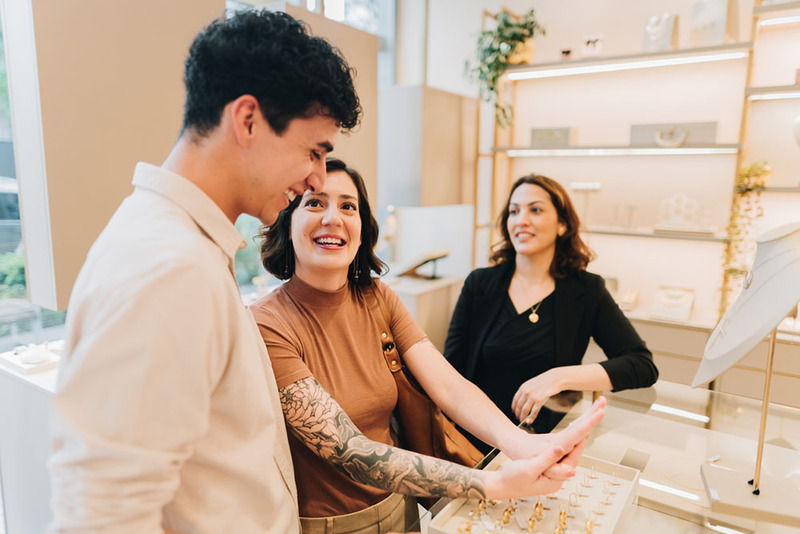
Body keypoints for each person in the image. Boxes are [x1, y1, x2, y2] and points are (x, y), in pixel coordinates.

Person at [49, 11, 361, 533]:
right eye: (313, 151)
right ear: (247, 120)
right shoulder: (168, 268)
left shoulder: (187, 248)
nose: (315, 179)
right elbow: (103, 514)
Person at [250, 158, 606, 533]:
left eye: (348, 206)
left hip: (401, 507)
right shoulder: (267, 323)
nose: (333, 218)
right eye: (314, 203)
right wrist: (492, 484)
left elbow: (448, 385)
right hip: (330, 525)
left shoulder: (376, 297)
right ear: (286, 223)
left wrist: (521, 444)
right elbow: (350, 451)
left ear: (361, 228)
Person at [444, 174, 658, 453]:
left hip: (544, 443)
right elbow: (450, 373)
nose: (521, 220)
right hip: (476, 442)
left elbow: (641, 365)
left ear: (562, 224)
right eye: (514, 211)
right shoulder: (480, 284)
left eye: (535, 209)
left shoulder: (586, 290)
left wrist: (558, 377)